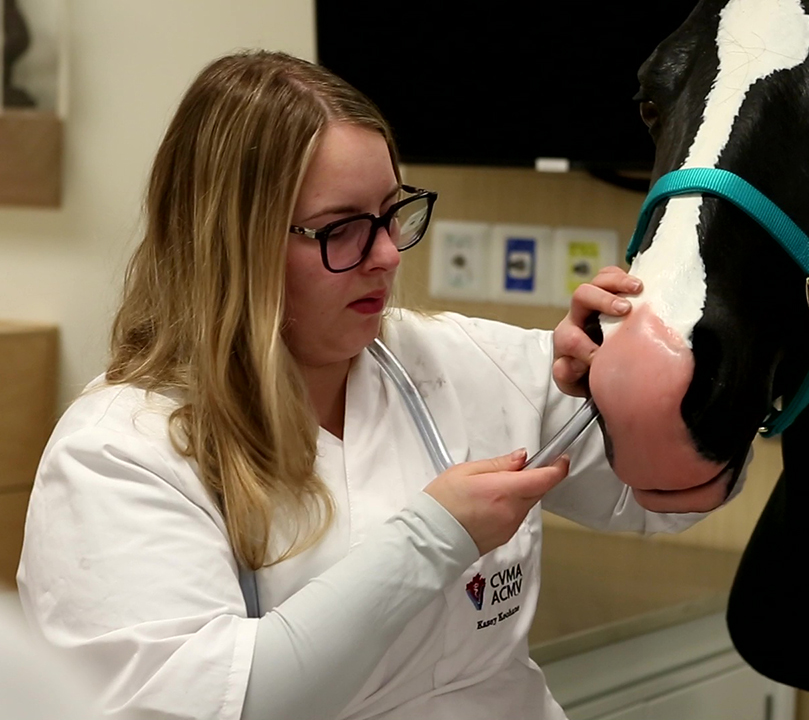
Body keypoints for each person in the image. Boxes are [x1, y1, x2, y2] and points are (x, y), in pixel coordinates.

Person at [16, 50, 731, 720]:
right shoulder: (119, 453)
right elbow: (223, 705)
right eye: (343, 228)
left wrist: (639, 374)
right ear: (233, 243)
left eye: (393, 212)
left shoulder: (460, 361)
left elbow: (671, 499)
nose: (388, 255)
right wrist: (432, 537)